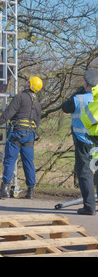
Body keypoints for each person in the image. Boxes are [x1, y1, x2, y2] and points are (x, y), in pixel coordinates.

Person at [0, 76, 43, 199]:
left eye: (28, 82)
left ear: (29, 85)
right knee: (28, 162)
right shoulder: (37, 103)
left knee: (10, 160)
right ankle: (30, 191)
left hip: (17, 133)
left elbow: (9, 113)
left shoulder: (20, 97)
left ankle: (4, 189)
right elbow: (37, 122)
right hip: (30, 135)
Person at [62, 68, 98, 215]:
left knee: (85, 173)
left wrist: (77, 92)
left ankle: (89, 206)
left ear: (86, 84)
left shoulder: (79, 99)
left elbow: (65, 107)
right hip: (96, 142)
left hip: (84, 142)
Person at [79, 70, 98, 215]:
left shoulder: (94, 104)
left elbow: (87, 119)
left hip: (94, 142)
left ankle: (89, 207)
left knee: (93, 172)